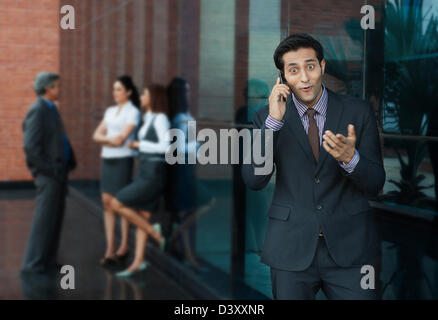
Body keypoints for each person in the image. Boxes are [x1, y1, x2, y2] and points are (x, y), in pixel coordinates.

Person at [242, 33, 386, 300]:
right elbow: (254, 179)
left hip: (351, 249)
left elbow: (376, 183)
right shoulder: (266, 117)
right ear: (282, 76)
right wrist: (274, 123)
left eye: (310, 66)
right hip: (289, 247)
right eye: (293, 70)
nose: (304, 78)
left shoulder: (358, 111)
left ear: (322, 66)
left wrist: (349, 159)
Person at [110, 85, 170, 277]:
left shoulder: (161, 118)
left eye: (144, 93)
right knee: (142, 216)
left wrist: (138, 144)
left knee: (116, 203)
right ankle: (137, 262)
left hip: (153, 173)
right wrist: (136, 149)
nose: (141, 97)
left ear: (153, 96)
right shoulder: (148, 117)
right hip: (144, 169)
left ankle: (154, 233)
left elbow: (165, 146)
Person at [21, 72, 77, 274]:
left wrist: (69, 161)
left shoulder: (51, 109)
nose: (60, 90)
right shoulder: (38, 110)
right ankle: (33, 265)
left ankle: (49, 261)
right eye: (57, 86)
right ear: (48, 88)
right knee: (44, 220)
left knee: (55, 219)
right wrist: (49, 170)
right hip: (49, 176)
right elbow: (31, 147)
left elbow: (58, 138)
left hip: (58, 174)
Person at [92, 75, 141, 267]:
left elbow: (121, 140)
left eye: (119, 89)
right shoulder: (110, 111)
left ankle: (123, 246)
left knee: (121, 203)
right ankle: (110, 247)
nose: (115, 93)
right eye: (114, 89)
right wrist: (109, 141)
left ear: (128, 91)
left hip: (122, 160)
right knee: (106, 202)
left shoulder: (133, 112)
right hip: (107, 159)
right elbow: (95, 135)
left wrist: (109, 140)